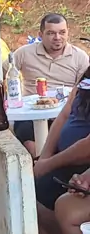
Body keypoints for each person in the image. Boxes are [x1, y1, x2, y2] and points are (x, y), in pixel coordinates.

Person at [5, 13, 89, 156]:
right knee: (31, 143)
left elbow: (82, 93)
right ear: (40, 34)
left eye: (62, 32)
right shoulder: (24, 53)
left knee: (67, 143)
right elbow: (2, 74)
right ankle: (37, 163)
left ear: (68, 32)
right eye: (51, 33)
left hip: (64, 114)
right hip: (30, 115)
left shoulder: (80, 57)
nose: (57, 37)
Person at [34, 71, 90, 234]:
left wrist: (47, 165)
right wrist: (44, 158)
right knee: (25, 188)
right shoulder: (86, 77)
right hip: (70, 163)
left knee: (42, 193)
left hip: (77, 161)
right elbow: (64, 115)